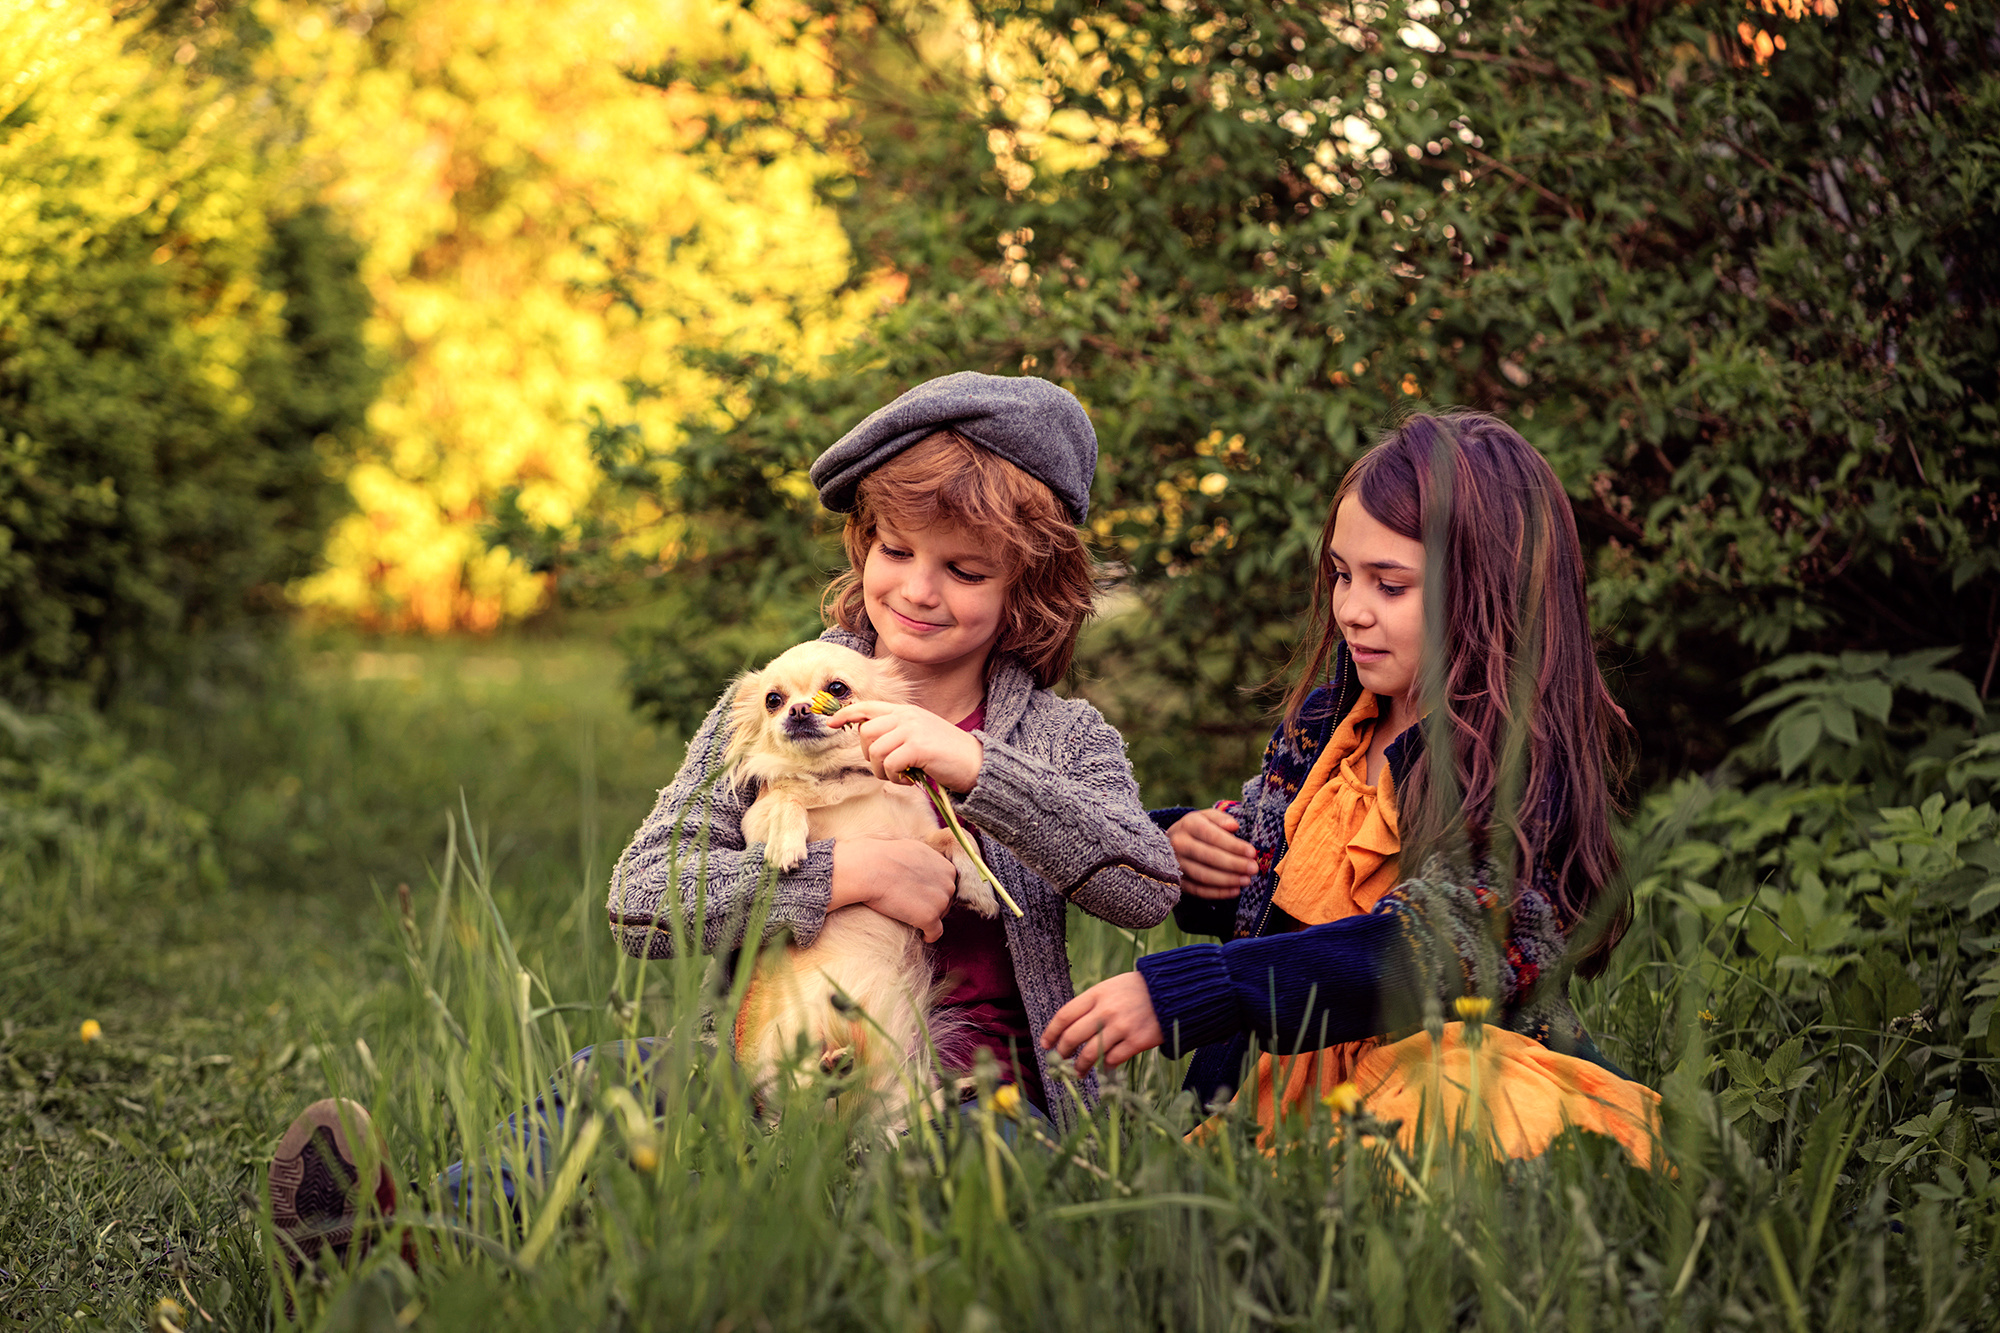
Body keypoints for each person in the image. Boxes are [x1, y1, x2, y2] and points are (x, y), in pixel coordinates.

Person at [268, 374, 1182, 1265]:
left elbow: (1144, 883)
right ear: (862, 544)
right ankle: (420, 1242)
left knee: (953, 1188)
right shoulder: (778, 700)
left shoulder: (1061, 737)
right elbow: (640, 901)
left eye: (965, 569)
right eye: (894, 551)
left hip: (975, 1085)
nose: (917, 589)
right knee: (611, 1073)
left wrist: (978, 767)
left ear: (1030, 586)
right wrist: (848, 874)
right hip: (764, 1058)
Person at [1040, 411, 1662, 1164]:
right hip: (1286, 1086)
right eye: (1342, 573)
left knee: (1460, 1102)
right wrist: (1181, 852)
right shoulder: (1329, 728)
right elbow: (1263, 896)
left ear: (1490, 592)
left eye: (1390, 585)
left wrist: (1198, 989)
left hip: (1444, 1061)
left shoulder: (1515, 766)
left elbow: (1434, 951)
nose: (1351, 609)